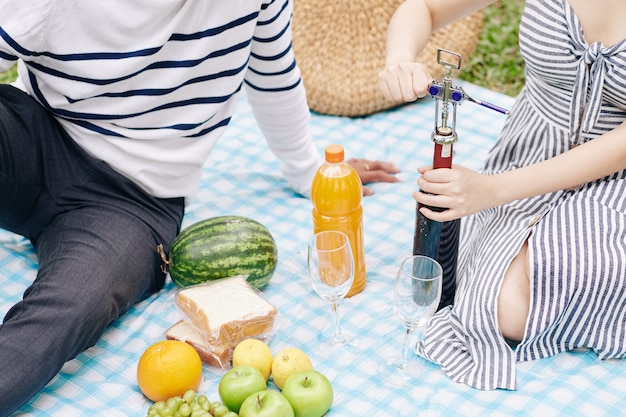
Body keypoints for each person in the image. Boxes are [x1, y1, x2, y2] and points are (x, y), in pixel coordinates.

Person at [0, 1, 401, 414]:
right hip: (34, 138)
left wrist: (309, 171)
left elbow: (273, 73)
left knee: (75, 305)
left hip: (131, 202)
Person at [378, 0, 626, 390]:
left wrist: (491, 191)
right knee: (498, 299)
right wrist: (400, 59)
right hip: (530, 147)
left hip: (614, 175)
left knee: (520, 306)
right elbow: (422, 7)